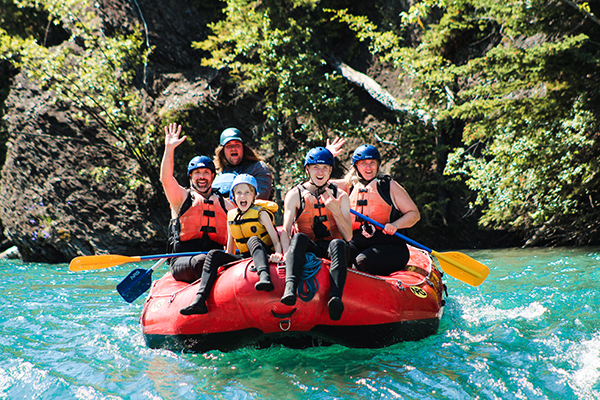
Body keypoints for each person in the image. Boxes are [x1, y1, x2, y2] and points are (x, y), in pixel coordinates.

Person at [180, 174, 283, 315]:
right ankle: (200, 299)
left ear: (254, 196)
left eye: (247, 192)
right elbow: (230, 250)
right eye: (239, 192)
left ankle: (264, 277)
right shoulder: (231, 216)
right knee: (213, 253)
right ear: (233, 196)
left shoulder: (261, 214)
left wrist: (278, 254)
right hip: (244, 257)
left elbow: (276, 240)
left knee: (253, 239)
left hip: (263, 253)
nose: (243, 196)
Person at [278, 147, 352, 321]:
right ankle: (290, 288)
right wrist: (286, 252)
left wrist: (336, 210)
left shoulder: (340, 195)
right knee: (299, 237)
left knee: (339, 244)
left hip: (332, 249)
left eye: (325, 168)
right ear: (307, 169)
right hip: (308, 246)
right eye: (316, 167)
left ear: (331, 170)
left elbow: (348, 236)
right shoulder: (294, 194)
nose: (320, 172)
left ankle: (335, 298)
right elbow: (285, 229)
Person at [160, 123, 234, 283]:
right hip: (183, 261)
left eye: (206, 173)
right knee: (202, 260)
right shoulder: (181, 198)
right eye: (197, 173)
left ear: (213, 177)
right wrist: (169, 148)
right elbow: (166, 179)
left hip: (214, 258)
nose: (202, 176)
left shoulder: (224, 204)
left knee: (218, 259)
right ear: (191, 177)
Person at [344, 144, 420, 275]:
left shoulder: (389, 186)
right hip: (358, 242)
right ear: (356, 166)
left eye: (372, 163)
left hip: (389, 245)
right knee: (339, 252)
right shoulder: (348, 186)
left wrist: (395, 225)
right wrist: (329, 155)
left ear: (378, 165)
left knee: (362, 261)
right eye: (363, 163)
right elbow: (319, 183)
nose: (368, 167)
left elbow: (414, 214)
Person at [213, 127, 273, 200]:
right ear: (222, 151)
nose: (233, 149)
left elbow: (262, 196)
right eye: (229, 146)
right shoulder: (218, 174)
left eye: (237, 145)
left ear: (243, 148)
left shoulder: (258, 168)